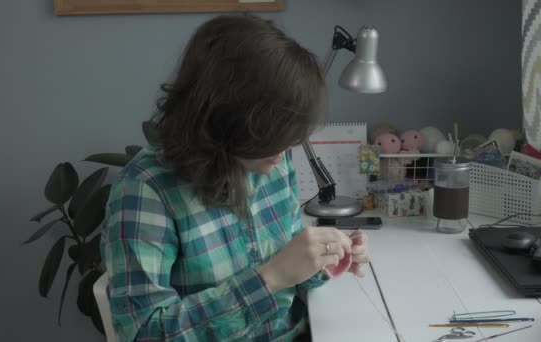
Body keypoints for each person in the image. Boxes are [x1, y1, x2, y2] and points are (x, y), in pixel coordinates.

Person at [101, 14, 369, 342]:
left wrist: (325, 257)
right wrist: (268, 279)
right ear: (223, 115)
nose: (286, 147)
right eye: (271, 133)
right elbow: (144, 332)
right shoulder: (145, 189)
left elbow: (292, 275)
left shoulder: (273, 162)